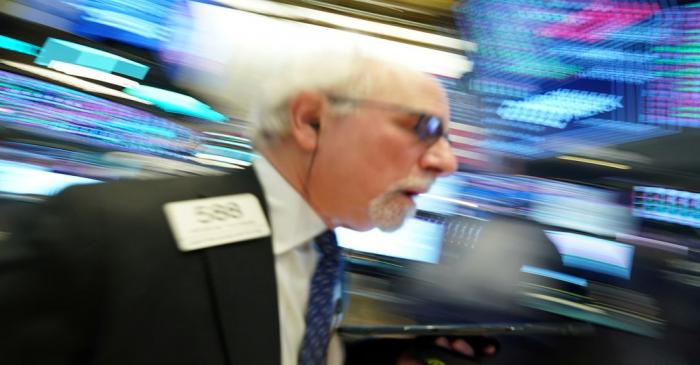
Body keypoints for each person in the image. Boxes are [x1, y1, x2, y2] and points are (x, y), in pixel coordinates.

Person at [0, 51, 474, 365]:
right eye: (424, 127)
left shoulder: (323, 253)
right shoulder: (107, 232)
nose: (446, 161)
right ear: (312, 121)